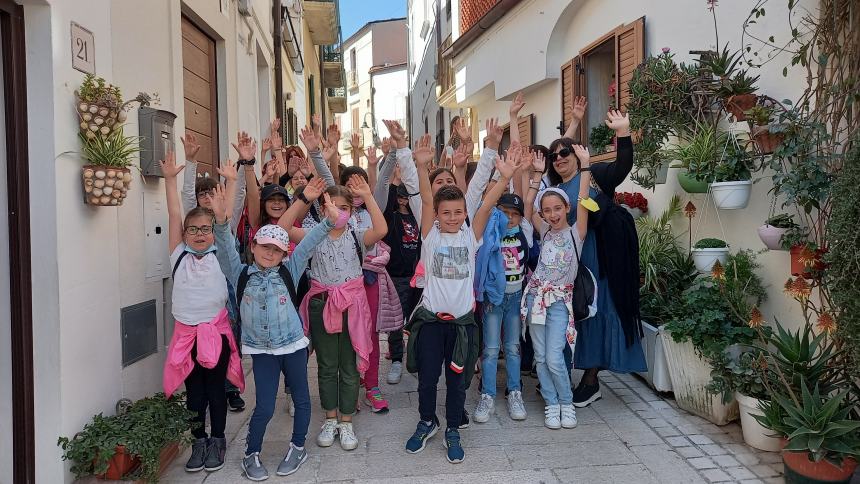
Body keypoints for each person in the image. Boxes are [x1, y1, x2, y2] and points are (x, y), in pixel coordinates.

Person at [404, 134, 522, 464]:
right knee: (428, 379)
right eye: (447, 212)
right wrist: (423, 164)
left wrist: (506, 176)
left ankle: (453, 427)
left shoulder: (471, 235)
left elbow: (485, 204)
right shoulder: (429, 237)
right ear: (438, 215)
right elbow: (426, 200)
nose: (453, 217)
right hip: (430, 323)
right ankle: (427, 421)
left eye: (458, 212)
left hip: (463, 327)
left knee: (457, 382)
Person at [212, 178, 338, 481]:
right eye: (264, 247)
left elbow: (311, 241)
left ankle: (297, 446)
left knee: (303, 399)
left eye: (277, 249)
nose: (270, 253)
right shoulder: (240, 274)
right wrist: (220, 221)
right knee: (265, 405)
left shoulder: (290, 269)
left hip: (293, 345)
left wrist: (331, 219)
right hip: (262, 351)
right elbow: (227, 247)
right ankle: (251, 452)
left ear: (284, 253)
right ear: (253, 246)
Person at [288, 125, 388, 451]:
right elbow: (283, 228)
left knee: (349, 365)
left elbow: (382, 228)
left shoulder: (357, 236)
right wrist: (307, 197)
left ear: (351, 211)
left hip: (353, 304)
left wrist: (369, 195)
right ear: (323, 209)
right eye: (332, 207)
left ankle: (346, 420)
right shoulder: (314, 234)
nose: (338, 213)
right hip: (322, 304)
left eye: (344, 208)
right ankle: (330, 418)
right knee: (327, 365)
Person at [545, 108, 646, 408]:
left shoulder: (595, 175)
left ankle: (591, 379)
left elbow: (623, 166)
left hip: (602, 257)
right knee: (577, 315)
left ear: (577, 156)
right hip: (571, 261)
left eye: (565, 152)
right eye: (555, 156)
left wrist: (623, 132)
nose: (560, 157)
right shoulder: (556, 190)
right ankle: (567, 376)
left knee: (600, 311)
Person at [306, 125, 401, 414]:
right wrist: (316, 153)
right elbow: (327, 179)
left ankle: (369, 385)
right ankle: (348, 389)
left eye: (361, 187)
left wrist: (393, 152)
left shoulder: (369, 210)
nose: (356, 191)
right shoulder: (336, 213)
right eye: (351, 186)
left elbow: (382, 182)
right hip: (333, 285)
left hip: (365, 281)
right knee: (340, 339)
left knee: (367, 333)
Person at [160, 152, 244, 474]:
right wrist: (170, 179)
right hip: (186, 336)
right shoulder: (178, 255)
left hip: (216, 333)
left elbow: (228, 218)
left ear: (212, 231)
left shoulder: (221, 254)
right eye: (192, 229)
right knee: (194, 393)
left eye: (205, 229)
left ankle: (218, 439)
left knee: (215, 389)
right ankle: (198, 440)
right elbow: (173, 212)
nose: (198, 234)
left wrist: (232, 182)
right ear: (183, 234)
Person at [523, 141, 592, 429]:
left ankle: (566, 400)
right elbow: (528, 205)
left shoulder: (577, 232)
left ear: (567, 208)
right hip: (535, 299)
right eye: (547, 210)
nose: (552, 214)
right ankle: (552, 403)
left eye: (557, 209)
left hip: (561, 303)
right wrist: (538, 175)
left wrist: (585, 166)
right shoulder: (543, 232)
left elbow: (585, 196)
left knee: (554, 356)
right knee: (540, 356)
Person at [179, 132, 247, 413]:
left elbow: (239, 195)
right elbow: (184, 195)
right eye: (202, 194)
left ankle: (230, 388)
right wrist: (190, 162)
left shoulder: (225, 219)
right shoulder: (192, 221)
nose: (207, 197)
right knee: (196, 340)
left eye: (211, 192)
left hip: (226, 287)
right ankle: (201, 389)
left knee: (230, 335)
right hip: (196, 291)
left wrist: (238, 172)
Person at [473, 145, 532, 423]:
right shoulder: (489, 232)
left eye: (515, 214)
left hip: (515, 298)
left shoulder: (525, 232)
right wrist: (503, 178)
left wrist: (521, 174)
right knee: (490, 349)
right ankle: (487, 395)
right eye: (505, 212)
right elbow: (485, 207)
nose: (510, 218)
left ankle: (514, 391)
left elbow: (528, 201)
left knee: (512, 347)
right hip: (493, 299)